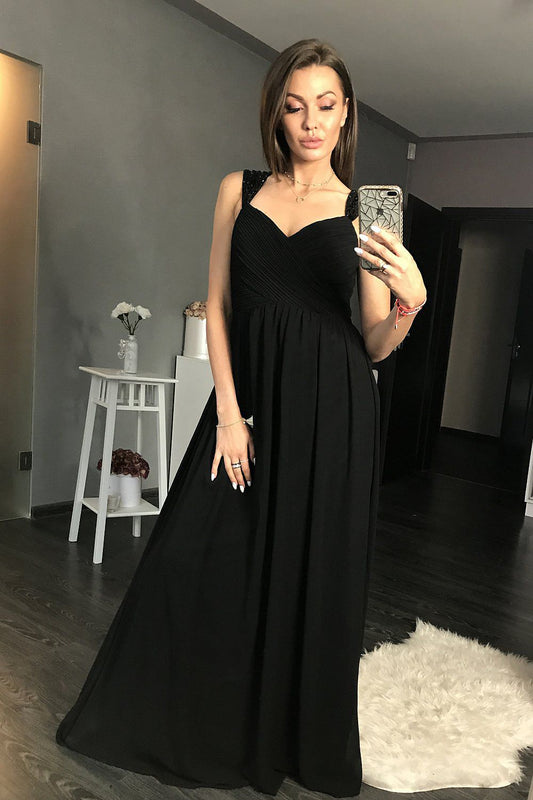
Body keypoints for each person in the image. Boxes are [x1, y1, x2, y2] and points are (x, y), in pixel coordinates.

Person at [56, 38, 427, 797]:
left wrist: (410, 304)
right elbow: (218, 307)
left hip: (332, 411)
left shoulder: (366, 210)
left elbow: (371, 343)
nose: (310, 122)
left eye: (325, 105)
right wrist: (229, 413)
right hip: (247, 403)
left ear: (345, 114)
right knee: (195, 556)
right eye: (294, 106)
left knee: (308, 573)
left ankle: (291, 739)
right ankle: (193, 719)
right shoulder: (239, 188)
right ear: (275, 114)